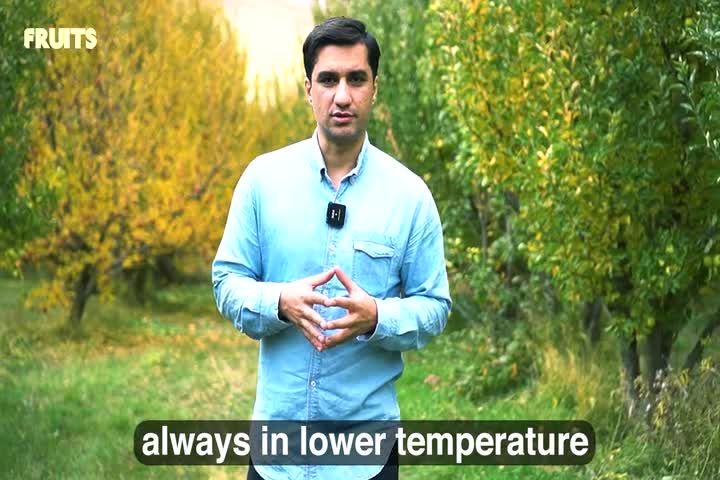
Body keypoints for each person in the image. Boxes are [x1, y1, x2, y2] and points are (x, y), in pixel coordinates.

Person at [212, 16, 451, 480]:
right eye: (328, 80)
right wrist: (279, 301)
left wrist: (377, 317)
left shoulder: (410, 196)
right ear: (308, 89)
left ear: (374, 88)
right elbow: (226, 282)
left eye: (356, 79)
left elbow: (435, 306)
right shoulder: (262, 181)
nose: (342, 96)